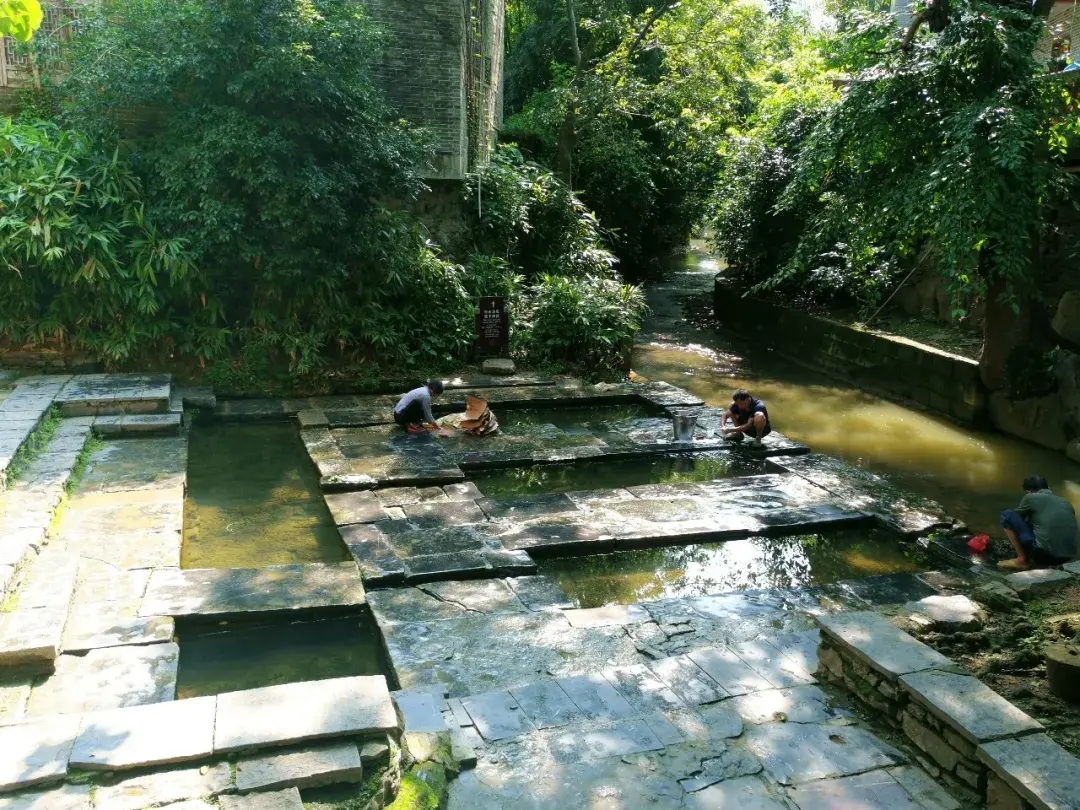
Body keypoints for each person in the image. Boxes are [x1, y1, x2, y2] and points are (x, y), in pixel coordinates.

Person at [997, 475, 1077, 570]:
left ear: (1029, 490)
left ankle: (1021, 560)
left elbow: (1016, 518)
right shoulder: (1066, 503)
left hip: (1045, 555)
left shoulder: (1030, 497)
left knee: (1007, 515)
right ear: (1048, 488)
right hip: (1067, 557)